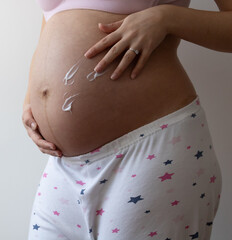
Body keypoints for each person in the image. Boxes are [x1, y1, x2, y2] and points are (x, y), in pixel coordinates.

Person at [22, 0, 230, 239]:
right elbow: (51, 23)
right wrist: (32, 97)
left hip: (150, 151)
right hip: (63, 166)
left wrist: (167, 18)